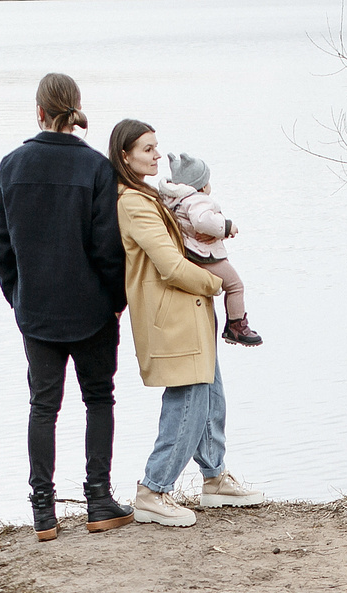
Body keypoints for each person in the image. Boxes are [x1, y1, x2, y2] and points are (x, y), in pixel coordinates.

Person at [0, 72, 134, 539]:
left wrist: (18, 298)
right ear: (75, 109)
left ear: (39, 111)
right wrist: (116, 302)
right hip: (92, 311)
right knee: (99, 399)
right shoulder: (96, 168)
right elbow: (108, 250)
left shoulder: (11, 166)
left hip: (37, 312)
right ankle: (98, 501)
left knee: (43, 407)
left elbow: (0, 247)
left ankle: (43, 513)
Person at [109, 119, 268, 528]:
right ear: (125, 155)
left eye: (156, 147)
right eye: (147, 149)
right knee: (188, 403)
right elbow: (170, 265)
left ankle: (214, 479)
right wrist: (216, 284)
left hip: (190, 311)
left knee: (211, 395)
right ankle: (153, 490)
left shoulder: (152, 196)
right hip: (173, 315)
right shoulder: (132, 202)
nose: (156, 156)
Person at [160, 152, 260, 346]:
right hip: (203, 255)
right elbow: (203, 221)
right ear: (202, 185)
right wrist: (227, 227)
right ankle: (236, 326)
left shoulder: (174, 200)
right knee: (235, 285)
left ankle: (233, 326)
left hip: (189, 253)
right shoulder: (197, 199)